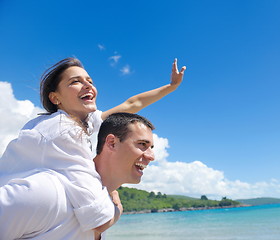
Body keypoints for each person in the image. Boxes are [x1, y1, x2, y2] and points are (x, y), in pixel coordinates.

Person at [0, 58, 185, 236]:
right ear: (55, 98)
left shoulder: (85, 122)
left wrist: (171, 87)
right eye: (75, 82)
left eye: (89, 81)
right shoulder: (62, 130)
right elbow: (98, 220)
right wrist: (117, 208)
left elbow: (131, 104)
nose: (87, 85)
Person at [0, 112, 155, 239]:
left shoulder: (102, 207)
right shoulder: (49, 193)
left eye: (151, 147)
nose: (151, 156)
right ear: (112, 143)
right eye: (142, 144)